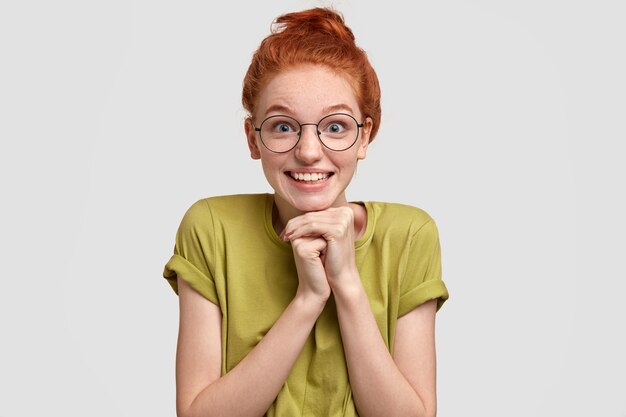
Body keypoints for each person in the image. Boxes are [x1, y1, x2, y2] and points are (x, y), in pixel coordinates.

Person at [162, 7, 449, 417]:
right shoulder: (210, 227)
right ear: (252, 137)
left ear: (364, 136)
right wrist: (309, 299)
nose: (309, 152)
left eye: (335, 127)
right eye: (282, 126)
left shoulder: (409, 235)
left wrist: (346, 283)